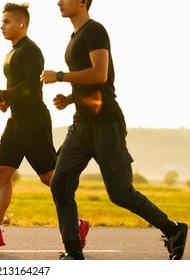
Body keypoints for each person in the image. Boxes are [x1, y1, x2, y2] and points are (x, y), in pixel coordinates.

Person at [40, 0, 187, 260]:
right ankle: (74, 252)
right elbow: (91, 83)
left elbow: (100, 75)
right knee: (60, 183)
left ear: (83, 2)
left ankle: (172, 229)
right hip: (81, 123)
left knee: (120, 193)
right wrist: (71, 98)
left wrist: (60, 76)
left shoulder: (95, 30)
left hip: (106, 125)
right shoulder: (75, 36)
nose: (59, 2)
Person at [0, 2, 89, 249]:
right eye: (2, 22)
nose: (2, 26)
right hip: (16, 121)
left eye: (7, 22)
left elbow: (32, 86)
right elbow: (18, 88)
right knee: (2, 173)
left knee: (48, 177)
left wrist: (5, 94)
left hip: (33, 121)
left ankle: (76, 224)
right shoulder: (11, 52)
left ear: (22, 23)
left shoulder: (31, 50)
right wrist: (6, 101)